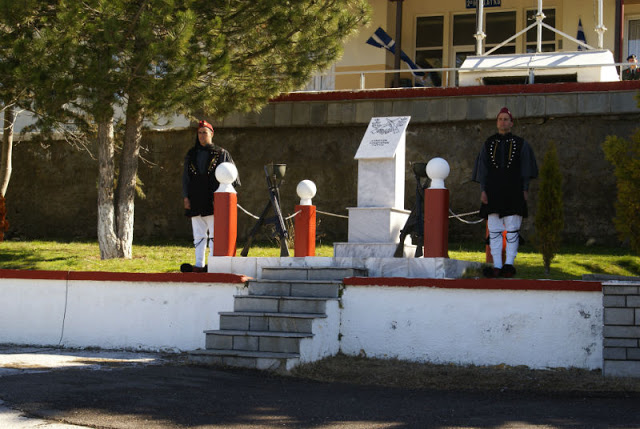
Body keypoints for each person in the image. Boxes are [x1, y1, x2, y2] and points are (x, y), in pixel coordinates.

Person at [472, 107, 538, 278]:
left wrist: (525, 189)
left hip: (514, 189)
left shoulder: (522, 144)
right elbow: (483, 169)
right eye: (500, 119)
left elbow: (525, 169)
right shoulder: (488, 143)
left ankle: (509, 264)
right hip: (492, 191)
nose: (503, 122)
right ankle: (497, 265)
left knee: (513, 228)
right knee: (494, 230)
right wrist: (483, 190)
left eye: (506, 119)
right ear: (497, 122)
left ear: (511, 122)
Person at [182, 120, 239, 272]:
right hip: (195, 198)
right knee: (199, 234)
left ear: (211, 134)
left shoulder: (221, 153)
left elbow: (233, 177)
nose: (201, 136)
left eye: (204, 133)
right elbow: (186, 177)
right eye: (199, 133)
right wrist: (185, 196)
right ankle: (199, 264)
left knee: (214, 234)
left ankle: (212, 264)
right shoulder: (191, 154)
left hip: (213, 200)